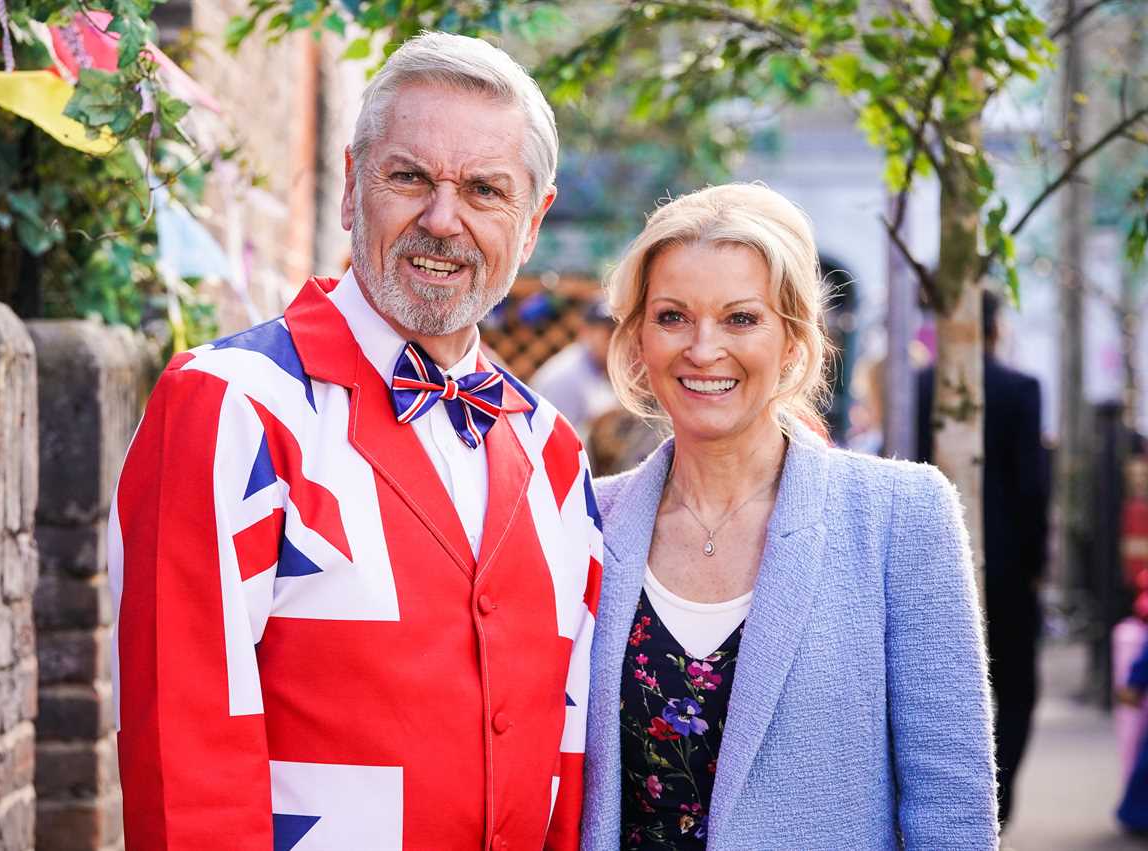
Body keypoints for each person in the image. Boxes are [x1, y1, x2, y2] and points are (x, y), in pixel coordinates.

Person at [107, 32, 602, 850]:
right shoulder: (231, 406)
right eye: (408, 177)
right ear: (349, 188)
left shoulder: (554, 454)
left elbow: (568, 760)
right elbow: (182, 757)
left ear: (532, 223)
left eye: (485, 190)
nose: (442, 220)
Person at [581, 183, 997, 850]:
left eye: (741, 318)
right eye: (672, 316)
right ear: (637, 339)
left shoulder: (902, 518)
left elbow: (952, 805)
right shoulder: (583, 519)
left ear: (795, 339)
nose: (703, 347)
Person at [917, 289, 1049, 825]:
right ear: (996, 329)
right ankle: (999, 808)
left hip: (927, 560)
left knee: (938, 689)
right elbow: (1032, 486)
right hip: (1008, 563)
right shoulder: (1020, 388)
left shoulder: (921, 385)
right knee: (1015, 686)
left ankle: (960, 813)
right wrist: (1038, 561)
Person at [531, 295, 618, 439]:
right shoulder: (566, 378)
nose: (616, 340)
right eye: (610, 332)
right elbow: (554, 443)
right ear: (585, 331)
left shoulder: (596, 366)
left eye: (620, 331)